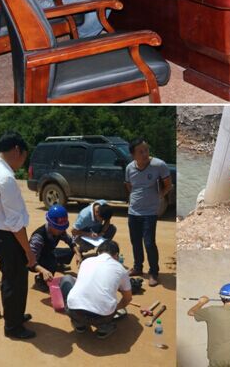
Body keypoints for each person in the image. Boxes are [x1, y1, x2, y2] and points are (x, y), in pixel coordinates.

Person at [0, 132, 36, 339]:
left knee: (10, 278)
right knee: (15, 281)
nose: (22, 163)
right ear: (17, 150)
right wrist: (28, 251)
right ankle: (13, 327)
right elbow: (15, 223)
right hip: (10, 237)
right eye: (24, 157)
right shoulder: (6, 178)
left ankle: (14, 316)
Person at [60, 240, 132, 339]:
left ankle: (78, 323)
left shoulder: (86, 261)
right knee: (113, 309)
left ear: (98, 252)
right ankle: (104, 328)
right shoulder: (121, 269)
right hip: (102, 318)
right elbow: (128, 298)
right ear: (116, 255)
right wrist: (115, 310)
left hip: (75, 312)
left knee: (67, 279)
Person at [125, 137, 172, 286]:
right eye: (141, 152)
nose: (145, 154)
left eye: (146, 150)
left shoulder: (159, 165)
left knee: (149, 243)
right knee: (135, 241)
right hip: (133, 211)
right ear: (133, 155)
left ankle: (154, 272)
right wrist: (135, 198)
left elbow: (168, 185)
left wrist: (159, 196)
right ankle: (138, 267)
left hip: (150, 212)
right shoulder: (129, 168)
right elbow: (129, 186)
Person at [188, 283, 230, 367]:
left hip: (217, 358)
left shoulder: (211, 311)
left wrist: (201, 302)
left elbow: (191, 312)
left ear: (221, 297)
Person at [29, 204, 82, 292]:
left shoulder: (60, 230)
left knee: (71, 251)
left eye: (62, 228)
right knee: (52, 262)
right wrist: (43, 270)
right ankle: (40, 279)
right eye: (58, 228)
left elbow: (70, 241)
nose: (61, 230)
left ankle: (57, 264)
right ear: (50, 224)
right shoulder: (38, 238)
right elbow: (30, 261)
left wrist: (78, 253)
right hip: (34, 258)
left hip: (48, 251)